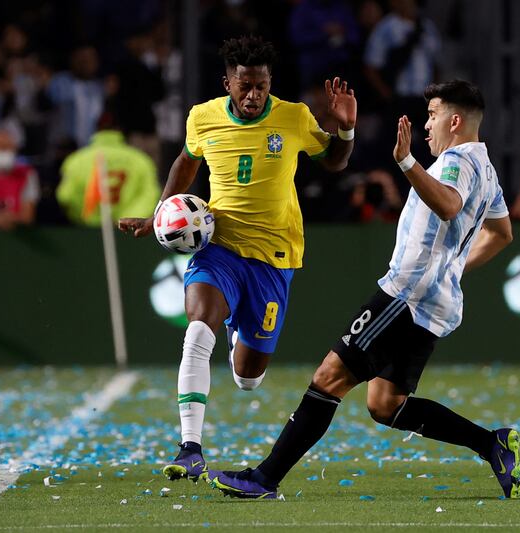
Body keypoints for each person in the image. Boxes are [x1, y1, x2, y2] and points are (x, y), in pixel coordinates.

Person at [207, 79, 520, 500]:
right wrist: (452, 269)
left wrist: (407, 162)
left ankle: (264, 479)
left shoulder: (456, 162)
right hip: (434, 304)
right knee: (385, 405)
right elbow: (502, 232)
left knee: (328, 378)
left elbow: (448, 205)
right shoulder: (486, 167)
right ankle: (492, 444)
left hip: (404, 297)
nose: (426, 125)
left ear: (454, 120)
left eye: (431, 115)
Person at [117, 35, 356, 484]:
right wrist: (160, 216)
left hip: (274, 257)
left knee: (249, 376)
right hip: (218, 246)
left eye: (261, 86)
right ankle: (190, 448)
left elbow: (336, 163)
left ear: (270, 83)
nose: (253, 95)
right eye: (244, 85)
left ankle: (236, 335)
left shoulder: (294, 117)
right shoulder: (202, 118)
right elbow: (185, 167)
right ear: (227, 82)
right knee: (196, 330)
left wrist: (345, 128)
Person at [56, 112, 160, 226]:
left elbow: (66, 196)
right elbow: (150, 195)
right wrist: (128, 219)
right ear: (119, 129)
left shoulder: (75, 161)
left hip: (87, 232)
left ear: (96, 129)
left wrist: (89, 219)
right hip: (129, 232)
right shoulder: (141, 160)